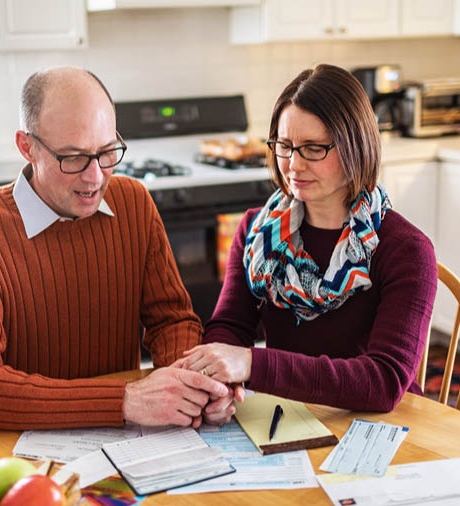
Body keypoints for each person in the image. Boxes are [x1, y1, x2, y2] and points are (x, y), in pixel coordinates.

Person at [0, 66, 230, 431]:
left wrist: (192, 384)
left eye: (107, 153)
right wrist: (124, 400)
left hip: (123, 437)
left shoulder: (133, 202)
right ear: (27, 147)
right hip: (10, 450)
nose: (95, 177)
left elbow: (172, 320)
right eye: (73, 158)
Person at [175, 64, 438, 424]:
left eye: (313, 148)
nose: (293, 165)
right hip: (292, 418)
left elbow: (383, 382)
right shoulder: (257, 231)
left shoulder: (406, 250)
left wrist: (251, 364)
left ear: (355, 146)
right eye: (284, 146)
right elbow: (230, 328)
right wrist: (220, 387)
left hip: (381, 427)